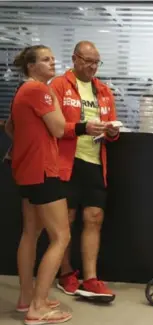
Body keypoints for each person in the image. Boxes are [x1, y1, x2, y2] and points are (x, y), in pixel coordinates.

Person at [49, 41, 120, 302]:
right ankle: (65, 273)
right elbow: (52, 126)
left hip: (93, 162)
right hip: (65, 162)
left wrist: (112, 132)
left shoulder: (103, 91)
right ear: (75, 59)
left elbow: (111, 126)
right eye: (87, 61)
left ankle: (90, 278)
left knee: (94, 217)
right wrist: (80, 128)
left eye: (96, 62)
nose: (92, 67)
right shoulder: (58, 86)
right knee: (64, 220)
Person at [9, 45, 72, 324]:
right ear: (31, 66)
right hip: (44, 171)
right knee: (61, 237)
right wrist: (52, 94)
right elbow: (59, 128)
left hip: (27, 171)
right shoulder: (39, 90)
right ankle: (37, 308)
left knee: (31, 233)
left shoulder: (23, 91)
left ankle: (27, 299)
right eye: (46, 59)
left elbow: (10, 127)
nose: (52, 63)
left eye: (52, 59)